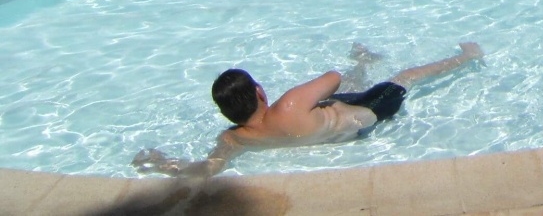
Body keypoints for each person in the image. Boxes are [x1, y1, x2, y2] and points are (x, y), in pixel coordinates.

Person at [132, 42, 483, 178]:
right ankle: (468, 57)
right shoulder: (287, 105)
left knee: (338, 94)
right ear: (259, 92)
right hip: (368, 115)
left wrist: (163, 163)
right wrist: (301, 98)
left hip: (334, 133)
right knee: (405, 77)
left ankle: (363, 62)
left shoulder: (235, 138)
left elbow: (207, 169)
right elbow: (331, 79)